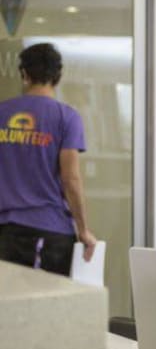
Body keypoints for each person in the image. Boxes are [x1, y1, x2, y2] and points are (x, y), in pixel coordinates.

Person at [0, 43, 96, 275]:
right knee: (47, 308)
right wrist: (83, 230)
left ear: (24, 74)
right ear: (58, 77)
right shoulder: (67, 117)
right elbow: (70, 179)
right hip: (50, 231)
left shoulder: (2, 113)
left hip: (5, 231)